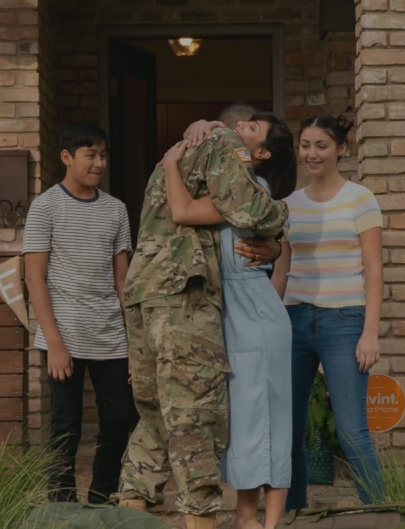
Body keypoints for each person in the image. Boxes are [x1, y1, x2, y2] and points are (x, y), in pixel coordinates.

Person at [116, 103, 289, 529]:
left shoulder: (180, 152)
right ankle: (201, 522)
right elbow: (251, 209)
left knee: (156, 417)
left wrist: (275, 249)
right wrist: (284, 218)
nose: (244, 133)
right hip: (183, 296)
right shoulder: (225, 144)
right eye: (247, 125)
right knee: (195, 416)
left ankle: (129, 514)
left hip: (144, 293)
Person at [273, 114, 387, 510]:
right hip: (294, 321)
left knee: (352, 431)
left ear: (340, 149)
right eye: (305, 145)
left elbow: (373, 269)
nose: (311, 153)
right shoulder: (287, 205)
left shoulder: (360, 198)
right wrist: (268, 321)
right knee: (287, 431)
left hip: (344, 322)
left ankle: (382, 514)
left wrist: (369, 332)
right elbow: (283, 270)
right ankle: (293, 515)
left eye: (321, 145)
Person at [23, 121, 138, 505]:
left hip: (110, 335)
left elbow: (123, 283)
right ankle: (62, 503)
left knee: (121, 417)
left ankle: (102, 494)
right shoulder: (45, 207)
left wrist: (134, 342)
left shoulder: (116, 210)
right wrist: (54, 343)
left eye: (103, 155)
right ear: (67, 158)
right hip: (64, 334)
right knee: (65, 425)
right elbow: (35, 280)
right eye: (91, 155)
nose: (99, 163)